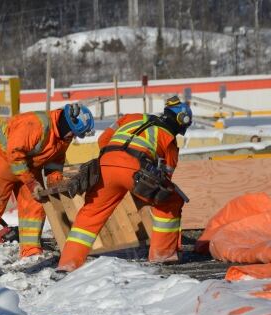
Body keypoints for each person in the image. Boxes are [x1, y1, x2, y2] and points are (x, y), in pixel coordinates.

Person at [56, 96, 193, 273]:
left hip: (105, 165)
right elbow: (165, 178)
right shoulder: (169, 140)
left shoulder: (132, 117)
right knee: (169, 201)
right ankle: (162, 256)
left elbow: (103, 140)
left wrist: (114, 159)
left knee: (90, 214)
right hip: (135, 170)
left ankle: (67, 264)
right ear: (180, 123)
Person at [0, 104, 95, 266]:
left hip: (28, 167)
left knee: (35, 205)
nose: (74, 137)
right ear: (68, 125)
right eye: (74, 133)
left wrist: (55, 182)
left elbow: (56, 160)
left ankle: (31, 252)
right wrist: (30, 182)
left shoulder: (64, 136)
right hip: (0, 163)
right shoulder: (35, 124)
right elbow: (15, 154)